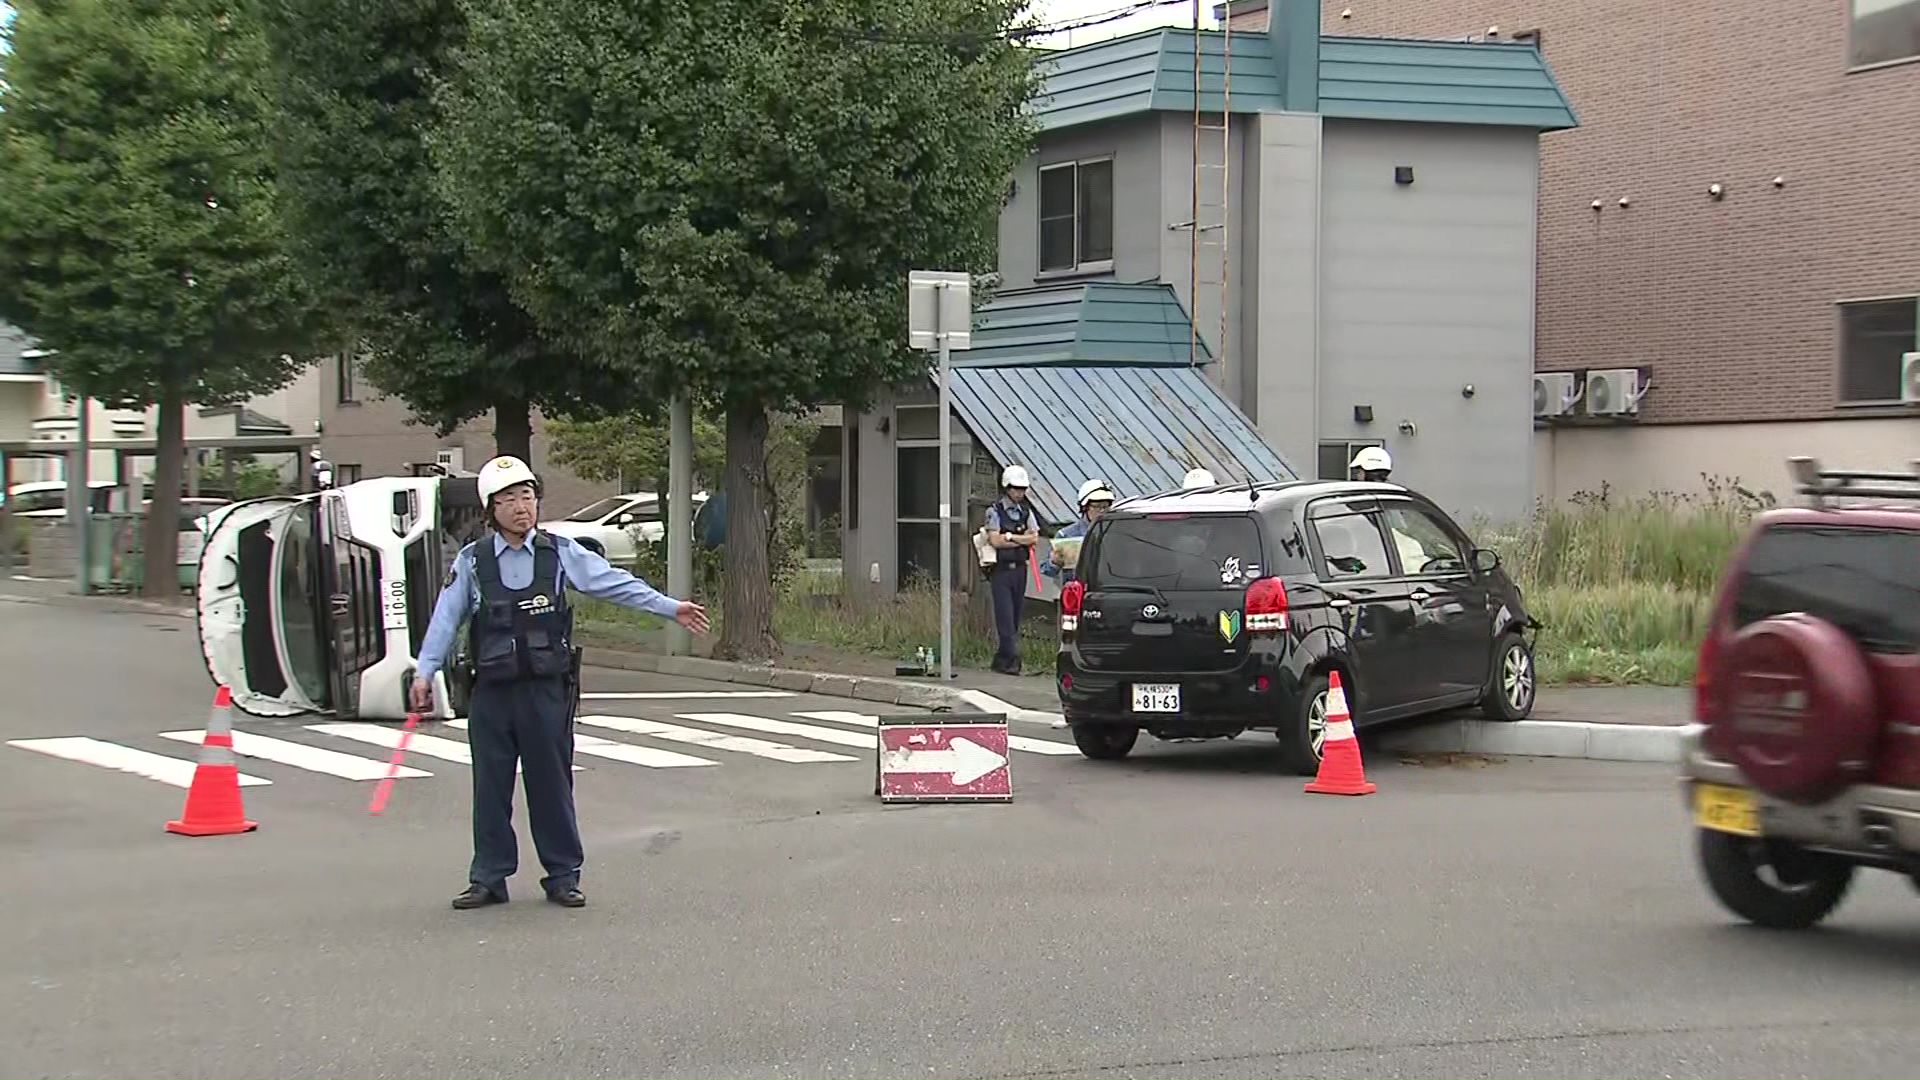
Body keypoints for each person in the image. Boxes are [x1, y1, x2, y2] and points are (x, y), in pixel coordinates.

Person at [410, 455, 710, 911]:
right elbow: (446, 617)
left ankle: (563, 874)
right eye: (509, 499)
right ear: (491, 509)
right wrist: (425, 669)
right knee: (490, 789)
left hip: (546, 691)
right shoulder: (473, 561)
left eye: (527, 496)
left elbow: (614, 584)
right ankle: (489, 877)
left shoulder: (559, 553)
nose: (521, 507)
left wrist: (671, 608)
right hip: (492, 692)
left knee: (551, 785)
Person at [983, 464, 1038, 675]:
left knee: (1015, 617)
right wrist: (1019, 539)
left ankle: (1002, 659)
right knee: (1005, 616)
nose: (1019, 493)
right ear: (1007, 487)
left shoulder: (1026, 512)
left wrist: (1009, 537)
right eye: (1016, 488)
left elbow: (1033, 537)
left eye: (1023, 489)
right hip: (1001, 570)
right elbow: (995, 540)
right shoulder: (995, 511)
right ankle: (1012, 659)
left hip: (1020, 570)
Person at [1041, 478, 1114, 586]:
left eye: (1105, 507)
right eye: (1097, 506)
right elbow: (1047, 570)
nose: (1102, 511)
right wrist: (1055, 562)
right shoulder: (1067, 535)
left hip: (1108, 589)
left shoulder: (1115, 532)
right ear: (1085, 507)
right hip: (1076, 592)